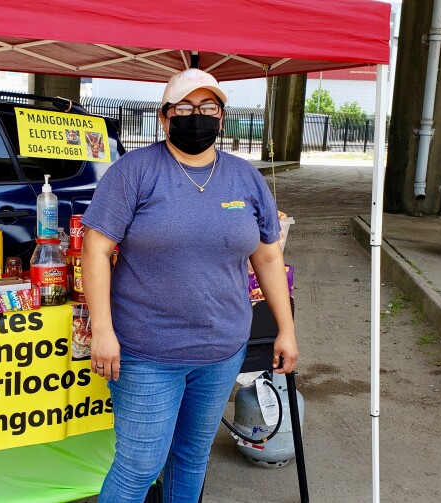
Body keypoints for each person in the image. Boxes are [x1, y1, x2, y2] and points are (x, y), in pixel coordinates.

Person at [81, 68, 298, 502]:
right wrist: (102, 331)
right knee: (139, 467)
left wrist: (286, 328)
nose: (195, 116)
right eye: (184, 107)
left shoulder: (245, 177)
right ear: (164, 117)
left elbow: (269, 255)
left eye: (207, 107)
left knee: (192, 457)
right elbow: (95, 250)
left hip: (221, 350)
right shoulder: (134, 172)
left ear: (221, 117)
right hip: (146, 354)